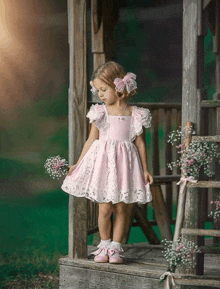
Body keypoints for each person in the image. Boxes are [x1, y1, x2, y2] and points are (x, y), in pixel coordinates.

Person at [61, 61, 153, 264]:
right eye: (97, 90)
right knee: (104, 209)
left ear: (118, 86)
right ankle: (104, 244)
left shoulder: (135, 113)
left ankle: (116, 249)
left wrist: (145, 170)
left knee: (121, 208)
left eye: (104, 89)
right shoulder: (100, 112)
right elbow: (91, 139)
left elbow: (140, 143)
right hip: (105, 165)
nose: (100, 94)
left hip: (124, 166)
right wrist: (78, 163)